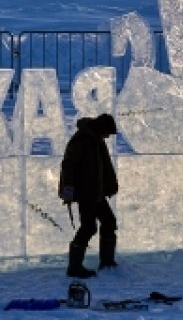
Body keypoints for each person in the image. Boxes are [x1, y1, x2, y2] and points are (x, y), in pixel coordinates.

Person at [58, 113, 119, 278]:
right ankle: (74, 267)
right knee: (89, 227)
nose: (107, 136)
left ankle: (107, 262)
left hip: (96, 192)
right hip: (86, 193)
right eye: (107, 132)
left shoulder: (97, 140)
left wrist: (110, 185)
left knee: (108, 222)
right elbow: (68, 168)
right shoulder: (80, 141)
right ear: (100, 128)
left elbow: (104, 166)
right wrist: (68, 192)